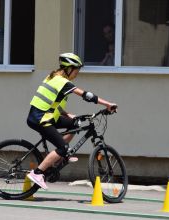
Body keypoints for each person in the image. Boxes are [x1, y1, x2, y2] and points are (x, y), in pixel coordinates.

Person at [26, 53, 117, 189]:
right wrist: (107, 104)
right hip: (40, 118)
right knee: (63, 147)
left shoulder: (53, 77)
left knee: (75, 123)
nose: (77, 74)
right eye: (77, 70)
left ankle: (62, 156)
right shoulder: (62, 82)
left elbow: (53, 102)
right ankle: (37, 173)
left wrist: (67, 114)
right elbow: (86, 95)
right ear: (69, 68)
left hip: (48, 116)